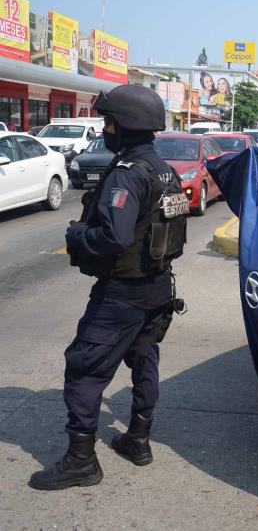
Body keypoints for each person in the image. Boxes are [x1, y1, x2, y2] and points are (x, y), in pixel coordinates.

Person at [29, 85, 188, 490]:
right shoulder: (164, 171)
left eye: (108, 121)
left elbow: (114, 238)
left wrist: (78, 235)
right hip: (157, 288)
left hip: (123, 293)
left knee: (84, 367)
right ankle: (137, 440)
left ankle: (81, 461)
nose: (106, 128)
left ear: (122, 126)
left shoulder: (127, 175)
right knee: (144, 361)